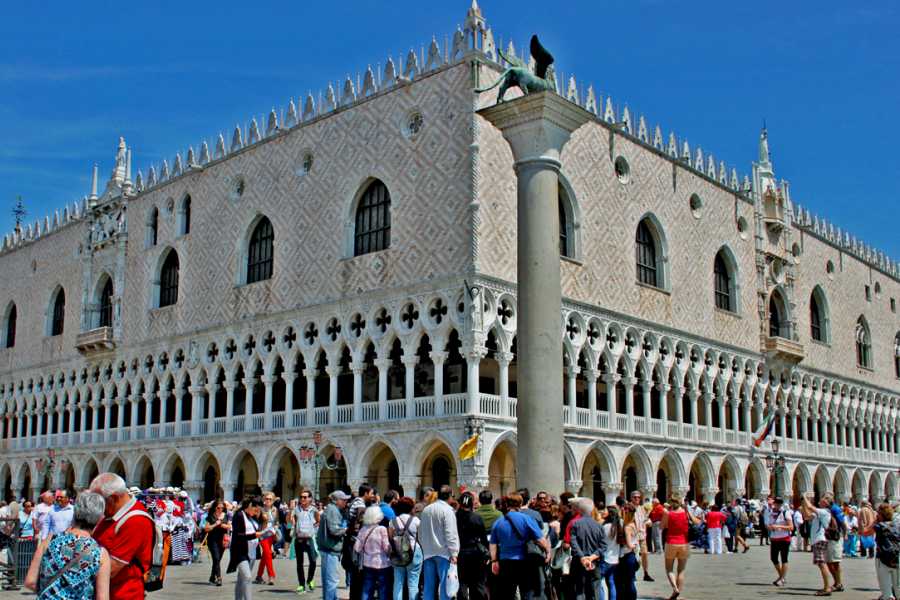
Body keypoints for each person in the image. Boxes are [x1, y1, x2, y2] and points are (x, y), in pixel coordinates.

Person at [24, 491, 111, 600]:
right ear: (99, 519)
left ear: (75, 512)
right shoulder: (100, 554)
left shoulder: (50, 539)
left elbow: (30, 582)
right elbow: (102, 598)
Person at [89, 473, 153, 600]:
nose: (97, 507)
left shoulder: (135, 521)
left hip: (123, 594)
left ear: (113, 498)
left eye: (99, 501)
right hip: (105, 591)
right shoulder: (111, 514)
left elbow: (112, 568)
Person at [489, 493, 550, 599]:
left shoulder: (498, 522)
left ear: (506, 504)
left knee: (506, 594)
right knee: (527, 592)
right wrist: (548, 552)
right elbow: (541, 540)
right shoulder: (527, 519)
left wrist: (494, 561)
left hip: (506, 563)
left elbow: (493, 544)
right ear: (521, 503)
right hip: (524, 561)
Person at [419, 484, 460, 600]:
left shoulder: (426, 510)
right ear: (450, 496)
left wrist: (424, 547)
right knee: (444, 587)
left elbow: (421, 533)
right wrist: (454, 553)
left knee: (428, 587)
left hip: (428, 553)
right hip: (444, 553)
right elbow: (450, 533)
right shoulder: (448, 511)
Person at [660, 495, 700, 600]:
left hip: (671, 542)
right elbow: (697, 522)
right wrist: (688, 511)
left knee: (669, 569)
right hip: (684, 543)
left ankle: (675, 589)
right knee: (681, 570)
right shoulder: (685, 513)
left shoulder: (668, 513)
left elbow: (661, 526)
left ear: (671, 502)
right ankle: (678, 595)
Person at [569, 497, 609, 600]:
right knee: (594, 590)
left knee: (579, 590)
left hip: (579, 561)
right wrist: (591, 557)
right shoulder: (599, 526)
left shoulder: (575, 524)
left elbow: (573, 543)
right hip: (595, 562)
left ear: (579, 510)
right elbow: (603, 546)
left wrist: (583, 557)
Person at [317, 490, 350, 600]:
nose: (346, 502)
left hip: (328, 548)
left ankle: (331, 597)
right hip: (329, 548)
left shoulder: (333, 509)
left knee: (328, 578)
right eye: (344, 500)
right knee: (331, 579)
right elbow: (334, 530)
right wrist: (346, 530)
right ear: (337, 501)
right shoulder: (333, 510)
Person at [455, 491, 488, 600]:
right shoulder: (476, 517)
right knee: (478, 583)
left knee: (462, 582)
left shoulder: (455, 517)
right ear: (471, 504)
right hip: (476, 553)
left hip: (460, 553)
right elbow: (483, 537)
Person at [355, 505, 391, 600]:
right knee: (383, 589)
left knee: (367, 589)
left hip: (367, 563)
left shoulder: (363, 529)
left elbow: (357, 548)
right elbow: (387, 548)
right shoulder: (382, 529)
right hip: (382, 563)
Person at [800, 493, 834, 596]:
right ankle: (826, 586)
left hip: (820, 539)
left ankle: (827, 587)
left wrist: (805, 497)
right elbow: (807, 516)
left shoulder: (824, 512)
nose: (820, 499)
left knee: (821, 564)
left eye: (823, 498)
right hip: (817, 540)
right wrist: (803, 502)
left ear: (826, 502)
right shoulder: (820, 512)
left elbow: (810, 507)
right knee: (821, 563)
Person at [389, 496, 422, 600]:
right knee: (413, 584)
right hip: (414, 552)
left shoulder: (392, 521)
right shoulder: (416, 520)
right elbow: (420, 538)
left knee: (398, 583)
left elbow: (390, 537)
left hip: (398, 552)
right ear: (411, 508)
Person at [291, 489, 319, 593]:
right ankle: (301, 584)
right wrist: (291, 512)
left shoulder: (314, 509)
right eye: (301, 497)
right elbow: (289, 520)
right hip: (299, 539)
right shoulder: (296, 509)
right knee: (300, 563)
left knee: (313, 560)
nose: (303, 499)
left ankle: (310, 579)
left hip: (309, 539)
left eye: (305, 497)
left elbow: (318, 520)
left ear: (310, 499)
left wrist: (312, 529)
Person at [765, 497, 793, 587]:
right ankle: (782, 576)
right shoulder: (771, 512)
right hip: (774, 538)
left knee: (784, 558)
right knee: (773, 558)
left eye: (779, 503)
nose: (777, 504)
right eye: (776, 503)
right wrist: (769, 527)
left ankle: (782, 578)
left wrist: (778, 526)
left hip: (784, 538)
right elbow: (768, 524)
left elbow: (791, 527)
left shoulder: (786, 512)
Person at [873, 503, 899, 600]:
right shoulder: (897, 525)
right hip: (897, 558)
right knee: (898, 588)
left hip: (882, 558)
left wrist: (876, 520)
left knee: (886, 591)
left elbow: (864, 531)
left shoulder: (879, 526)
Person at [203, 500, 231, 586]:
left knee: (217, 560)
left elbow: (229, 526)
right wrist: (216, 524)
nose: (220, 509)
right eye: (218, 508)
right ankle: (219, 578)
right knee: (216, 558)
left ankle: (212, 576)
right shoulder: (210, 516)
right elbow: (206, 529)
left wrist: (222, 525)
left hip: (222, 540)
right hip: (212, 540)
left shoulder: (225, 516)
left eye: (222, 508)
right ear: (215, 508)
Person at [253, 491, 278, 586]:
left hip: (271, 534)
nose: (268, 500)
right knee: (268, 553)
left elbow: (276, 521)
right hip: (262, 534)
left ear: (273, 501)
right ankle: (271, 575)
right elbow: (256, 521)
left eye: (270, 499)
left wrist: (276, 528)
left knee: (265, 556)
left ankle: (259, 576)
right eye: (266, 499)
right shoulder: (260, 509)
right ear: (264, 500)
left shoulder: (275, 509)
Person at [823, 493, 846, 592]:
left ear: (828, 500)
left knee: (835, 561)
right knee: (829, 561)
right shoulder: (827, 509)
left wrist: (845, 534)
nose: (821, 501)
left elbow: (842, 522)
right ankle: (837, 582)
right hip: (829, 536)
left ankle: (838, 583)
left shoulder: (835, 509)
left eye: (823, 499)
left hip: (835, 537)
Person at [629, 491, 653, 582]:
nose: (637, 499)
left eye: (638, 497)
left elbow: (646, 519)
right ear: (631, 498)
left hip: (642, 535)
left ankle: (646, 573)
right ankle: (633, 573)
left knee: (645, 554)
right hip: (633, 536)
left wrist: (648, 522)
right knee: (634, 556)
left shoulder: (642, 509)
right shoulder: (629, 508)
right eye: (635, 497)